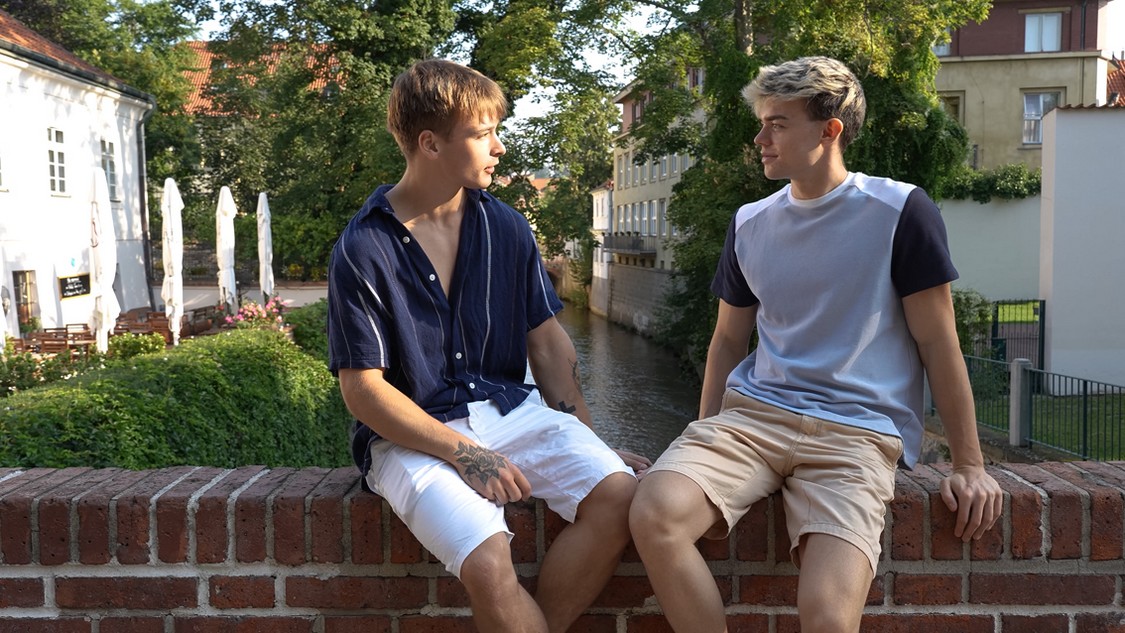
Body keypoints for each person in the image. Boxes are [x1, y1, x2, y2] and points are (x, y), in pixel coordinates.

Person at [629, 56, 1003, 633]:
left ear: (830, 129)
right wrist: (701, 436)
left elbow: (938, 342)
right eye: (762, 124)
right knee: (654, 514)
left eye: (777, 124)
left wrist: (969, 464)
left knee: (828, 616)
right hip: (752, 421)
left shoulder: (900, 210)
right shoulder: (750, 222)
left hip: (857, 434)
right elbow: (727, 340)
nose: (760, 139)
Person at [326, 58, 650, 633]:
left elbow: (547, 348)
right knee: (487, 562)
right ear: (430, 143)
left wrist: (590, 440)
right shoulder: (363, 247)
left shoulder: (508, 228)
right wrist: (466, 454)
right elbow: (363, 390)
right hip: (412, 435)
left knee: (619, 494)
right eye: (482, 134)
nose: (499, 148)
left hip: (510, 410)